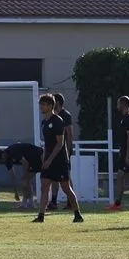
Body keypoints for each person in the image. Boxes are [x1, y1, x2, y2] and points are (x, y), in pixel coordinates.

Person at [33, 93, 84, 223]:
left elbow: (60, 143)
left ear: (51, 106)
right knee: (45, 186)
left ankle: (77, 214)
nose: (42, 107)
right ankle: (41, 216)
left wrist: (50, 160)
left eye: (44, 104)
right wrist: (44, 158)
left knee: (66, 188)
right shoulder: (44, 122)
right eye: (41, 104)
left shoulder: (57, 120)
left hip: (59, 160)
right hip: (48, 159)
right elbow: (47, 143)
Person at [0, 142, 44, 208]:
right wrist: (15, 192)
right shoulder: (7, 159)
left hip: (38, 156)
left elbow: (25, 162)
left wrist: (25, 175)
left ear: (2, 155)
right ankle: (30, 203)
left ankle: (26, 204)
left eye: (0, 160)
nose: (2, 162)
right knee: (26, 181)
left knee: (25, 180)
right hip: (32, 160)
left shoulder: (12, 151)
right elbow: (12, 176)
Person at [47, 93, 75, 210]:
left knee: (66, 178)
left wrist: (67, 151)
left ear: (57, 102)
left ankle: (70, 202)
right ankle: (53, 201)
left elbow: (70, 134)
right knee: (54, 176)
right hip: (54, 150)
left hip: (63, 151)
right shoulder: (52, 116)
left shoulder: (65, 115)